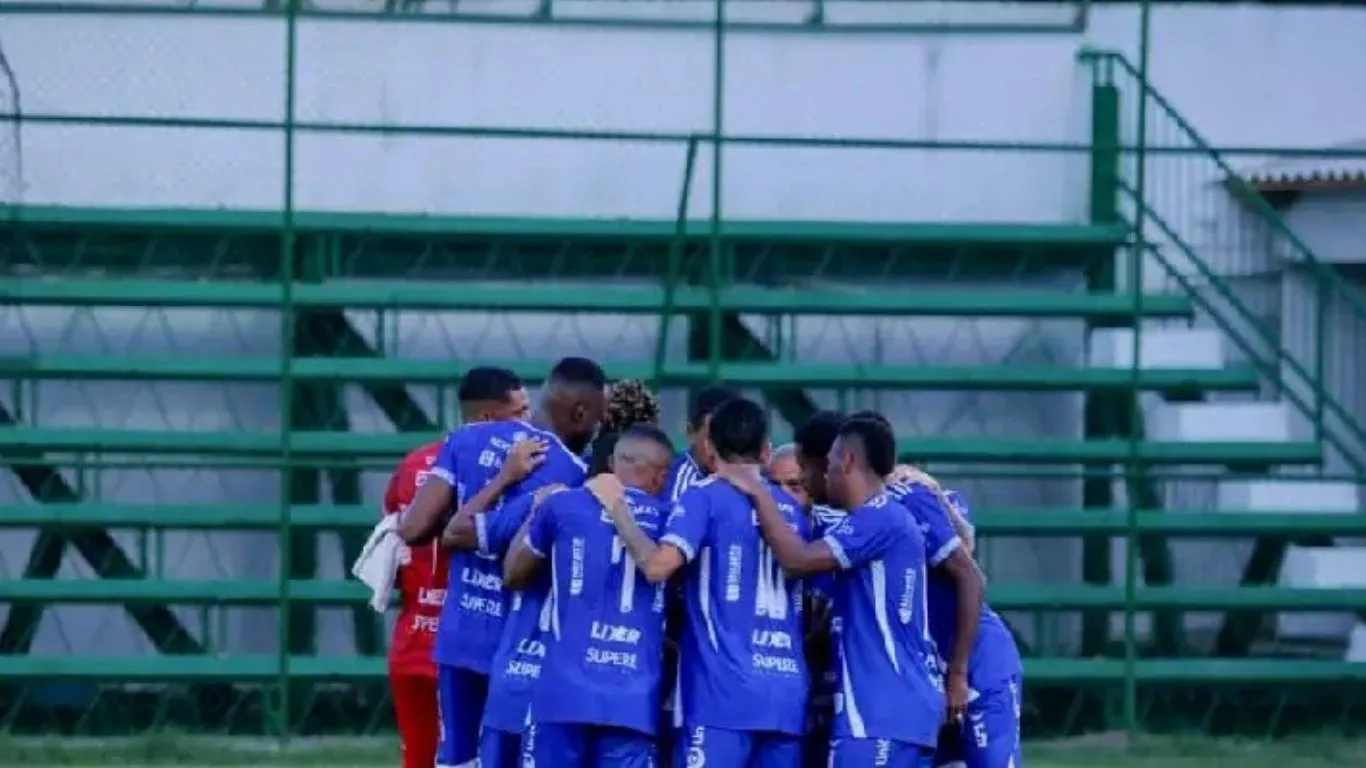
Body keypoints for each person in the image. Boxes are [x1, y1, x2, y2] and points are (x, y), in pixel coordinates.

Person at [400, 358, 607, 768]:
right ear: (582, 414)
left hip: (459, 635)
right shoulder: (573, 473)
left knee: (456, 757)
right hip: (517, 646)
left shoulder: (466, 440)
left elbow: (414, 528)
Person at [601, 397, 810, 768]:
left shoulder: (704, 497)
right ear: (765, 451)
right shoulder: (792, 508)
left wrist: (617, 509)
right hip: (785, 696)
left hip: (720, 696)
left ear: (709, 447)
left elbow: (657, 568)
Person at [472, 379, 662, 767]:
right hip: (630, 696)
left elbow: (498, 559)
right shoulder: (672, 513)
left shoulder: (558, 498)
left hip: (539, 680)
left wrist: (524, 497)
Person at [737, 416, 944, 768]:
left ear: (846, 462)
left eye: (828, 463)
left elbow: (797, 560)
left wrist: (758, 492)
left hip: (876, 714)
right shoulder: (881, 519)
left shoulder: (877, 518)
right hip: (902, 711)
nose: (816, 474)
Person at [381, 367, 532, 768]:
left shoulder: (413, 465)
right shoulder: (520, 469)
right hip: (472, 642)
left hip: (415, 640)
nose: (527, 424)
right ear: (485, 418)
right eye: (518, 413)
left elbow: (397, 554)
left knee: (422, 758)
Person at [502, 424, 676, 766]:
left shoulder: (563, 505)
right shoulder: (672, 520)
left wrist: (539, 508)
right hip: (633, 701)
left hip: (562, 693)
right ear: (662, 477)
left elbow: (513, 574)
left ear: (612, 463)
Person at [895, 469, 1023, 768]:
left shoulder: (931, 504)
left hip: (979, 667)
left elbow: (965, 544)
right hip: (929, 676)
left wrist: (958, 673)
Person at [665, 386, 738, 502]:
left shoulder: (749, 473)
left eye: (728, 438)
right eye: (711, 438)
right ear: (691, 432)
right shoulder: (681, 482)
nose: (720, 448)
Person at [766, 443, 810, 511]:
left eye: (793, 484)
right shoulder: (750, 519)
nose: (783, 494)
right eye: (774, 485)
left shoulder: (829, 520)